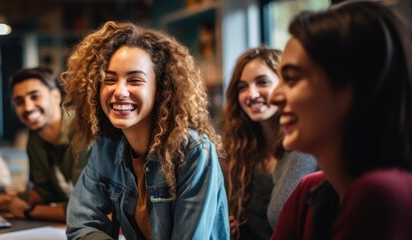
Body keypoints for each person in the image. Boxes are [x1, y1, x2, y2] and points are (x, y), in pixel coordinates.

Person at [62, 21, 230, 239]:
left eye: (135, 80)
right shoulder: (106, 148)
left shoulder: (193, 150)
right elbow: (81, 225)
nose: (119, 91)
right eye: (109, 80)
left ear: (160, 89)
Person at [269, 1, 412, 239]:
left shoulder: (379, 195)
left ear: (352, 88)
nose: (275, 97)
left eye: (292, 78)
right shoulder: (308, 192)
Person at [0, 67, 88, 222]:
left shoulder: (83, 132)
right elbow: (44, 192)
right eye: (19, 101)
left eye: (35, 96)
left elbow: (85, 209)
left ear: (55, 97)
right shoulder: (35, 138)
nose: (27, 107)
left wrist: (28, 211)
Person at [221, 47, 317, 240]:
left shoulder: (304, 149)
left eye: (262, 82)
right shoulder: (238, 150)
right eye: (242, 87)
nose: (252, 94)